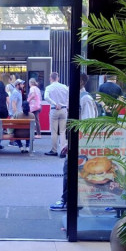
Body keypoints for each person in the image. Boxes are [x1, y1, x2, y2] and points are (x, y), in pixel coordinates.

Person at [50, 72, 97, 211]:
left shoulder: (85, 99)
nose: (69, 85)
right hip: (76, 141)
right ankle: (71, 200)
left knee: (70, 170)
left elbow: (88, 124)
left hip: (81, 143)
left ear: (81, 82)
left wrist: (80, 143)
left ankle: (67, 200)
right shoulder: (77, 98)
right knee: (71, 170)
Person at [44, 72, 69, 158]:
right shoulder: (64, 87)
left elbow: (46, 97)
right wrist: (66, 106)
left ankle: (54, 150)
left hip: (54, 110)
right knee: (62, 131)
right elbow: (68, 97)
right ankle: (63, 150)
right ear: (58, 78)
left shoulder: (49, 87)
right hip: (64, 110)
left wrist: (55, 104)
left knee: (54, 131)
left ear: (50, 78)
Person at [8, 79, 25, 145]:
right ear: (17, 85)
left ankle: (14, 141)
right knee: (13, 128)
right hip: (14, 114)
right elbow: (14, 103)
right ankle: (12, 141)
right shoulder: (15, 92)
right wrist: (16, 114)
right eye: (22, 84)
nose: (23, 85)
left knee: (15, 128)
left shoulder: (18, 92)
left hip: (16, 113)